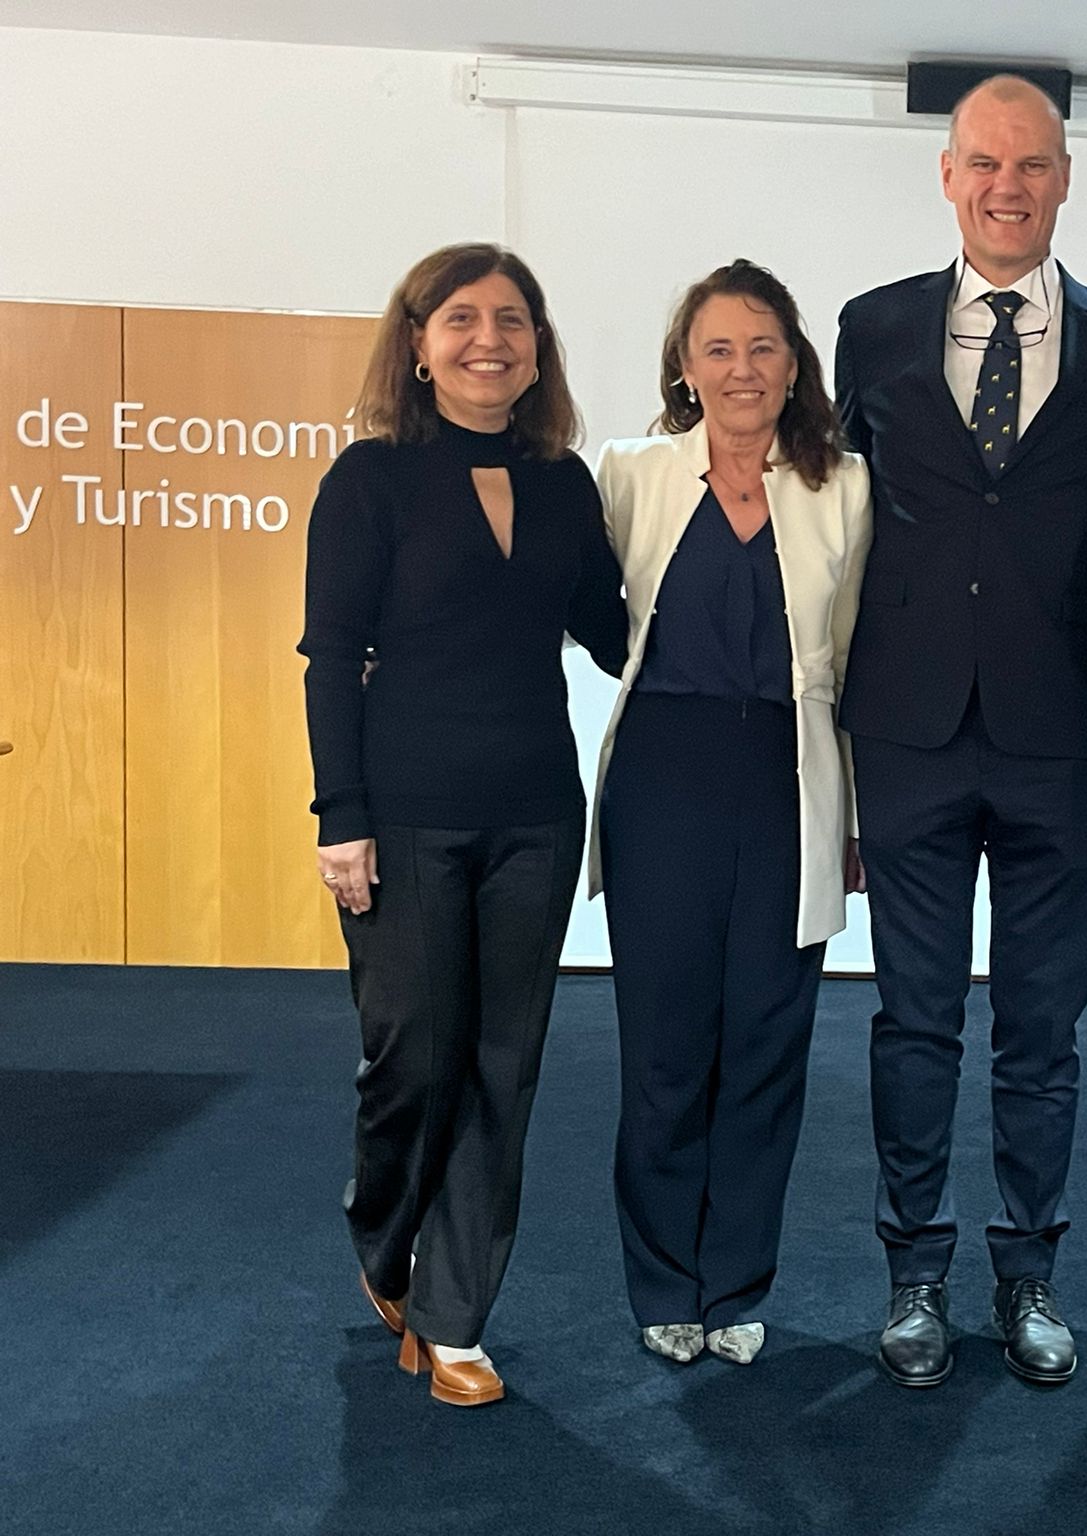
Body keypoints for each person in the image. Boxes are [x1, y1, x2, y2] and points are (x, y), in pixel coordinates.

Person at [835, 74, 1087, 1388]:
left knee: (1043, 1032)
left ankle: (1028, 1274)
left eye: (1031, 164)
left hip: (1062, 736)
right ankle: (913, 1274)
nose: (1006, 186)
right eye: (983, 162)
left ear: (1065, 178)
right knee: (913, 1023)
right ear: (947, 177)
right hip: (907, 732)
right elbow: (834, 522)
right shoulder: (870, 328)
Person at [300, 242, 628, 1408]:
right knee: (411, 1060)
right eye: (462, 319)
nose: (490, 339)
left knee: (501, 1066)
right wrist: (340, 817)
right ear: (419, 346)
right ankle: (384, 1239)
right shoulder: (370, 477)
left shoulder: (563, 482)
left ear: (538, 349)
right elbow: (331, 657)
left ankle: (452, 1317)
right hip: (403, 817)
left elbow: (617, 632)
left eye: (512, 320)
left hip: (534, 814)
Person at [592, 260, 871, 1369]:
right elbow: (581, 614)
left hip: (790, 779)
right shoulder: (631, 474)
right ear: (684, 366)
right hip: (662, 779)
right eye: (717, 348)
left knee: (766, 1041)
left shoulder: (846, 486)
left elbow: (858, 661)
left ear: (794, 364)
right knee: (665, 1045)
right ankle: (665, 1282)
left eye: (762, 346)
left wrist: (856, 818)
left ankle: (737, 1283)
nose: (741, 368)